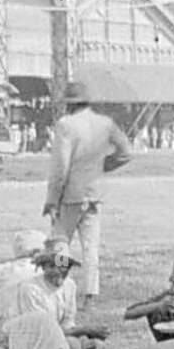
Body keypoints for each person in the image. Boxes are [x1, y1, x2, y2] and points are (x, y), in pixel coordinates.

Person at [43, 81, 132, 308]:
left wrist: (52, 200)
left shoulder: (65, 125)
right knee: (90, 247)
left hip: (70, 195)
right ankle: (91, 295)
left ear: (69, 104)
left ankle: (57, 285)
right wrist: (103, 166)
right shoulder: (105, 123)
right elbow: (126, 152)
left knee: (61, 243)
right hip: (94, 193)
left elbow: (60, 168)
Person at [6, 238, 110, 349]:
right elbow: (43, 331)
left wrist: (87, 333)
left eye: (62, 266)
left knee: (91, 345)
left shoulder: (69, 285)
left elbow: (67, 323)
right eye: (52, 266)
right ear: (43, 267)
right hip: (31, 338)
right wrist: (85, 330)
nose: (57, 271)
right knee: (71, 347)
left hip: (54, 336)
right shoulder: (30, 289)